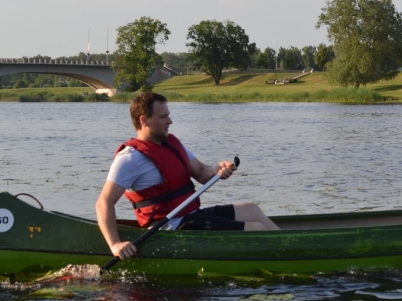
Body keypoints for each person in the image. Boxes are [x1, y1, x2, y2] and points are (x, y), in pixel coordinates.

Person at [96, 92, 279, 261]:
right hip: (170, 228)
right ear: (144, 120)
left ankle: (291, 247)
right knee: (255, 229)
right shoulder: (129, 159)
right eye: (163, 117)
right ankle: (281, 257)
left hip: (191, 216)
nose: (170, 121)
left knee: (251, 210)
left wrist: (217, 170)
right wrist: (115, 244)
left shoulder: (172, 144)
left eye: (168, 115)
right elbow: (104, 202)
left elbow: (202, 173)